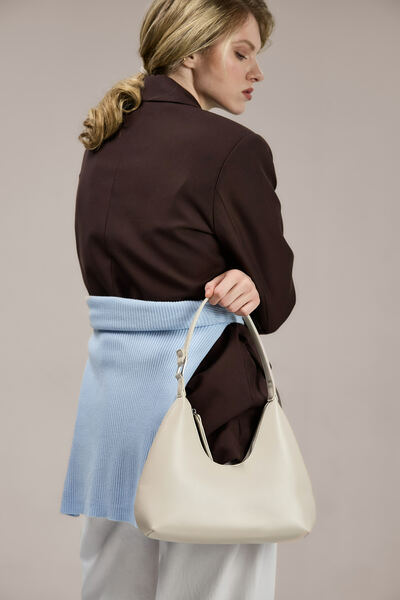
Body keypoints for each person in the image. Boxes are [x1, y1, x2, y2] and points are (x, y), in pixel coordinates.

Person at [59, 0, 296, 598]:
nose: (256, 72)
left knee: (111, 589)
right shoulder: (232, 149)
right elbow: (275, 302)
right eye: (241, 53)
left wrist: (241, 280)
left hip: (114, 412)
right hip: (208, 410)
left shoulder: (104, 141)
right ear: (191, 51)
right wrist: (252, 285)